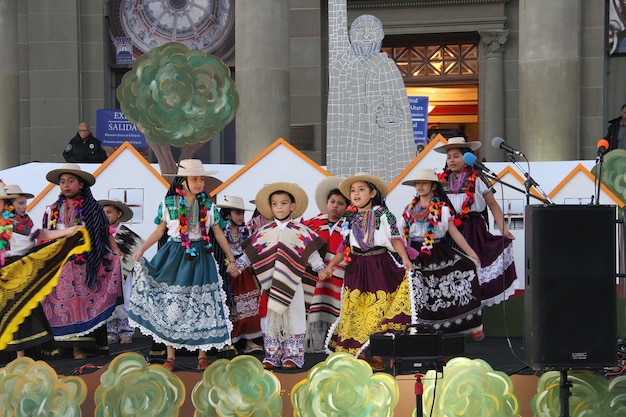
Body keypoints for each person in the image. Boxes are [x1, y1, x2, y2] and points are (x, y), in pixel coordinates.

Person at [129, 159, 240, 371]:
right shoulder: (169, 204)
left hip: (201, 258)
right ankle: (170, 355)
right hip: (174, 256)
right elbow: (159, 232)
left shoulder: (208, 206)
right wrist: (142, 249)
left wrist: (231, 259)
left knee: (200, 303)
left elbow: (218, 234)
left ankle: (202, 355)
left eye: (201, 179)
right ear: (183, 181)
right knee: (172, 304)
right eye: (194, 179)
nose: (199, 183)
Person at [321, 173, 413, 371]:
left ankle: (378, 355)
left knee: (377, 311)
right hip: (356, 268)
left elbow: (396, 239)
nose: (356, 194)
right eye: (353, 191)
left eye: (361, 189)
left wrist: (405, 259)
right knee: (354, 311)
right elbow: (344, 247)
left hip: (379, 265)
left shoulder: (383, 214)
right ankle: (359, 353)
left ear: (372, 193)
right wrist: (330, 266)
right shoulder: (349, 217)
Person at [235, 182, 327, 370]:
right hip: (269, 284)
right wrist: (238, 265)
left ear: (292, 206)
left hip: (293, 283)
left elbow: (311, 254)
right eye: (275, 204)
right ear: (270, 207)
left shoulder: (302, 232)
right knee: (269, 318)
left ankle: (292, 356)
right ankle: (272, 355)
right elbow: (250, 254)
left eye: (283, 203)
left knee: (295, 316)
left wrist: (320, 268)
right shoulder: (263, 232)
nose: (279, 207)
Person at [40, 163, 123, 360]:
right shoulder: (53, 210)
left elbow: (104, 232)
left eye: (70, 181)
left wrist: (116, 251)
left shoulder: (92, 209)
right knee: (59, 305)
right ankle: (62, 346)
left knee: (81, 306)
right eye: (62, 182)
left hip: (84, 265)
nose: (66, 185)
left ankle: (80, 348)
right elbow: (46, 235)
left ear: (81, 185)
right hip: (60, 266)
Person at [326, 5, 414, 184]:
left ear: (381, 34)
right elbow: (336, 115)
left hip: (381, 147)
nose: (366, 35)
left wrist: (391, 118)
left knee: (381, 182)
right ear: (351, 35)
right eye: (360, 30)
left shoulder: (388, 67)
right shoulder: (341, 68)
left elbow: (401, 114)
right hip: (351, 145)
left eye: (372, 30)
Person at [434, 137, 518, 319]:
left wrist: (503, 230)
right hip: (448, 230)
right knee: (449, 271)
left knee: (473, 270)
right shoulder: (440, 181)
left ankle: (472, 318)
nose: (452, 160)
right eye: (449, 157)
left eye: (456, 156)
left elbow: (493, 205)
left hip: (473, 229)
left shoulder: (478, 178)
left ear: (468, 158)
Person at [0, 185, 90, 354]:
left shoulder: (19, 222)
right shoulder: (8, 221)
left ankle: (21, 356)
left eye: (24, 203)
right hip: (7, 268)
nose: (23, 206)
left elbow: (41, 235)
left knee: (22, 308)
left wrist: (71, 230)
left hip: (17, 268)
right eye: (20, 203)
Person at [401, 169, 484, 339]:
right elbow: (402, 236)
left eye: (424, 183)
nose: (420, 186)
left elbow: (454, 233)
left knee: (461, 274)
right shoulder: (409, 210)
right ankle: (417, 336)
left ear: (433, 187)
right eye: (418, 183)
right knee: (417, 296)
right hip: (414, 254)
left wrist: (471, 253)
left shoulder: (442, 209)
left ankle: (467, 325)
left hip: (437, 252)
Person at [301, 176, 349, 353]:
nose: (335, 206)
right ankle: (315, 344)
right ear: (327, 203)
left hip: (339, 275)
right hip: (314, 276)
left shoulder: (349, 226)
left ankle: (334, 343)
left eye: (340, 203)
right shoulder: (313, 224)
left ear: (347, 207)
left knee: (336, 308)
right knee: (314, 306)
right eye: (332, 201)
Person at [216, 195, 263, 355]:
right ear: (228, 214)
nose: (241, 216)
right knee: (233, 308)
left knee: (250, 307)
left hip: (244, 271)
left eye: (242, 213)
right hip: (228, 272)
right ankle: (232, 343)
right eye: (237, 212)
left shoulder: (247, 230)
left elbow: (251, 250)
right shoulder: (220, 231)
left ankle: (249, 341)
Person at [98, 198, 144, 345]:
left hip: (125, 275)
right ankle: (110, 330)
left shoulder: (129, 236)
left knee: (125, 299)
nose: (106, 215)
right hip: (105, 275)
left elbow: (135, 254)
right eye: (103, 212)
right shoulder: (99, 234)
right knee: (107, 300)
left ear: (118, 214)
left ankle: (126, 331)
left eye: (109, 212)